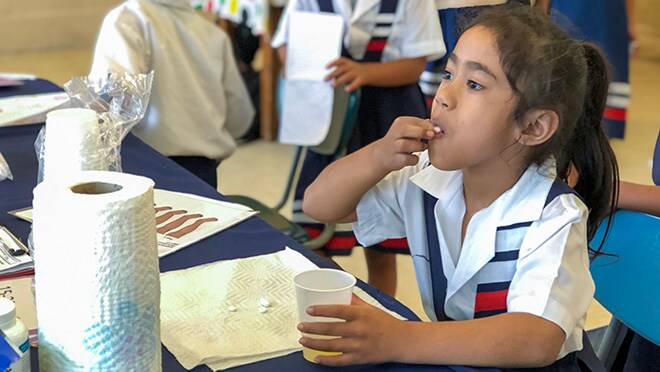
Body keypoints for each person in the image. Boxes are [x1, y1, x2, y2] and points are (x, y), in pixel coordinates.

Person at [301, 4, 618, 369]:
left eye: (474, 84)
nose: (444, 95)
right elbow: (319, 205)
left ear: (532, 127)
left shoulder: (554, 216)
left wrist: (398, 338)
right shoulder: (426, 179)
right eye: (448, 73)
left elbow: (537, 338)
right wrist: (378, 155)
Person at [271, 0, 444, 296]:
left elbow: (415, 65)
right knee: (317, 230)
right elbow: (285, 45)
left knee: (381, 244)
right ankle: (333, 303)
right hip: (330, 115)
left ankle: (381, 310)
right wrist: (303, 69)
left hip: (387, 115)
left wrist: (364, 72)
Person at [89, 0, 255, 188]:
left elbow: (108, 98)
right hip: (204, 169)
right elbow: (239, 115)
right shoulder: (213, 34)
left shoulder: (127, 19)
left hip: (146, 166)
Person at [419, 0, 547, 109]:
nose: (442, 98)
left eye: (473, 84)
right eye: (447, 75)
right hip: (428, 17)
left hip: (505, 12)